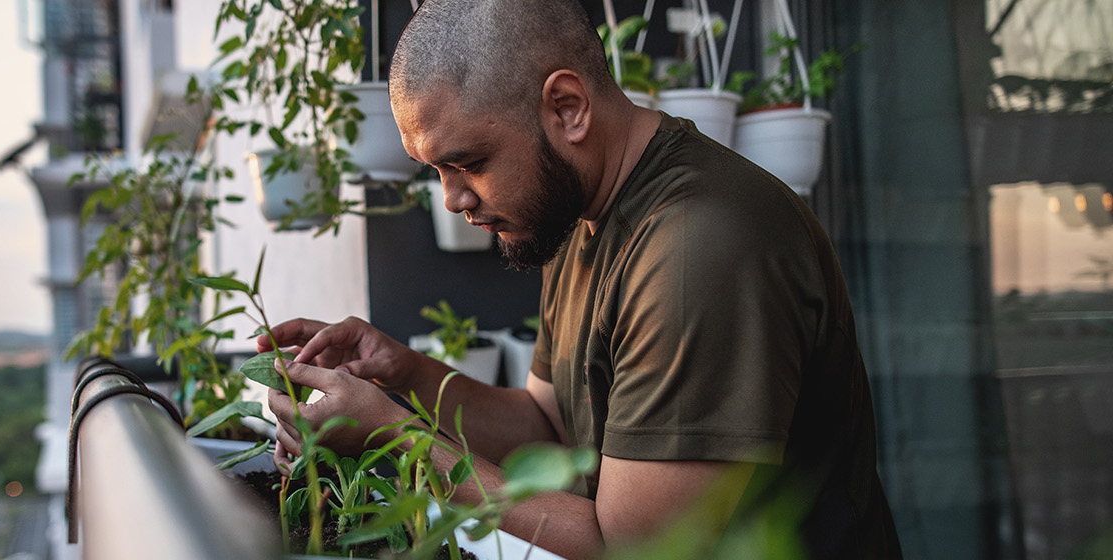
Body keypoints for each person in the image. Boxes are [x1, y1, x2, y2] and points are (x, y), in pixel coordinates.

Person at [257, 0, 902, 558]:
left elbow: (633, 549)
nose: (453, 199)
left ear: (566, 108)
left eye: (469, 163)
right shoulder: (576, 214)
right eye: (436, 171)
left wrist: (396, 439)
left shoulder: (698, 247)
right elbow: (548, 425)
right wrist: (405, 378)